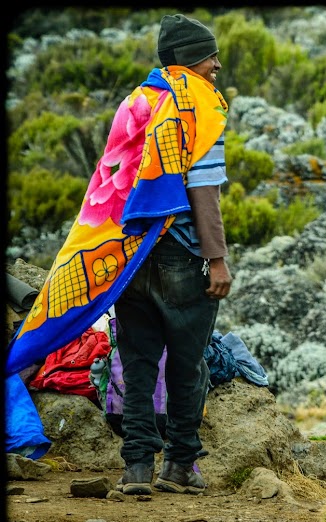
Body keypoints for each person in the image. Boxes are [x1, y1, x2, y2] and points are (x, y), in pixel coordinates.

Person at [114, 14, 233, 495]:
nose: (217, 65)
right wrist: (218, 258)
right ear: (188, 59)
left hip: (130, 255)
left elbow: (109, 186)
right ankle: (180, 466)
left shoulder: (135, 103)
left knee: (138, 363)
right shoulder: (199, 104)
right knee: (188, 365)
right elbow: (204, 189)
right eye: (210, 56)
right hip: (181, 256)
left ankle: (136, 467)